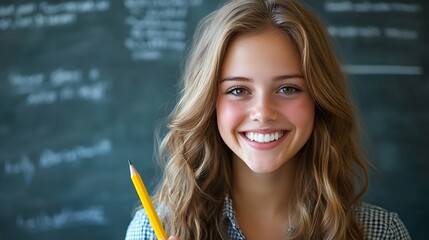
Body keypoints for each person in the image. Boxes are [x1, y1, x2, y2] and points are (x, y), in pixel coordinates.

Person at [125, 0, 411, 239]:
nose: (263, 112)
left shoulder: (381, 232)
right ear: (209, 102)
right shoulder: (152, 231)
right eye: (238, 90)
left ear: (319, 100)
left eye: (288, 88)